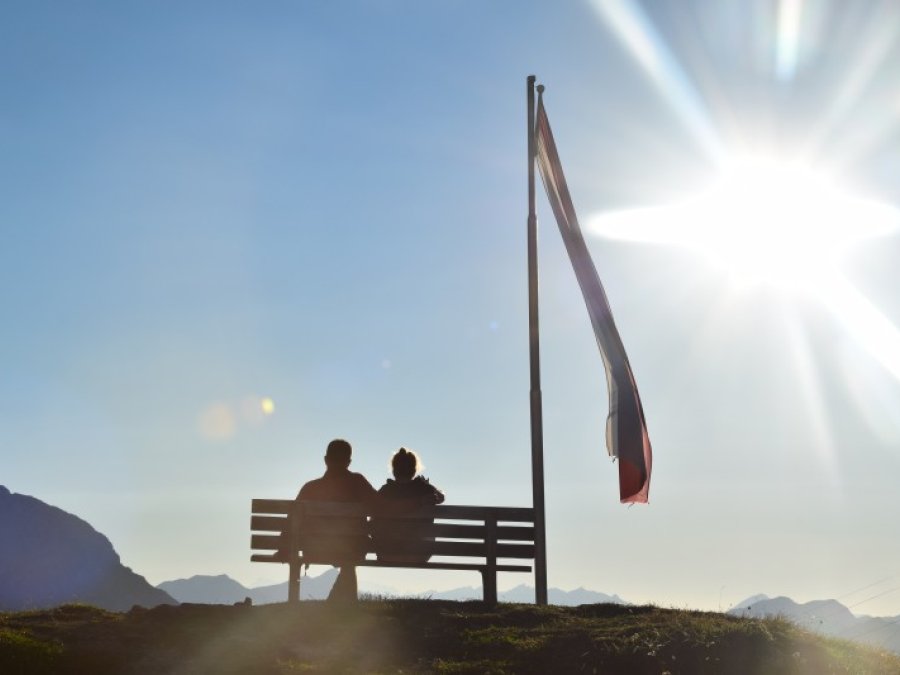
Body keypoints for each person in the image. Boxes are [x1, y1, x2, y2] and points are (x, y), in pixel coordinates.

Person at [296, 438, 377, 602]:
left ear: (326, 460)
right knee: (352, 551)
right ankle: (343, 603)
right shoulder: (358, 482)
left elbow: (293, 519)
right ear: (349, 462)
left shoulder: (310, 488)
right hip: (353, 548)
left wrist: (284, 547)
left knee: (349, 553)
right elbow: (380, 507)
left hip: (315, 548)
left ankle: (336, 602)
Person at [373, 447, 445, 563]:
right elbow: (441, 498)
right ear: (414, 470)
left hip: (387, 554)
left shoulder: (385, 491)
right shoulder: (424, 489)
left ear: (394, 470)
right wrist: (429, 485)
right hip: (419, 555)